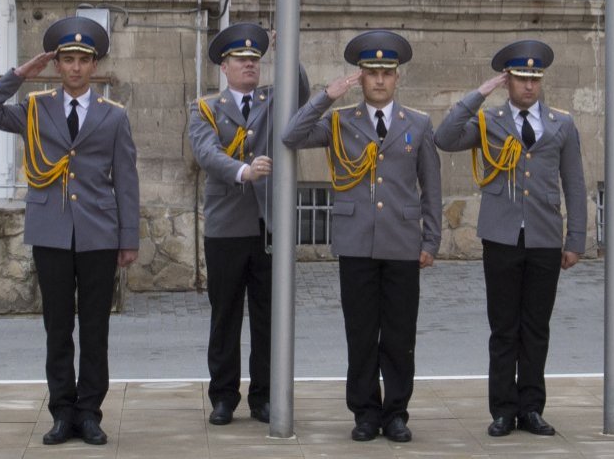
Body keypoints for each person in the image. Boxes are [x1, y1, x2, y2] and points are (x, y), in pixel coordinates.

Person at [0, 16, 140, 447]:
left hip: (99, 234)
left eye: (83, 60)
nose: (75, 68)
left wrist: (128, 239)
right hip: (50, 232)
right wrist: (19, 74)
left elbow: (126, 180)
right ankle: (62, 412)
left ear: (94, 64)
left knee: (96, 329)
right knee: (57, 326)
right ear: (56, 65)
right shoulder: (36, 107)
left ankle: (90, 412)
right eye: (67, 59)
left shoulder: (113, 116)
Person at [283, 30, 442, 444]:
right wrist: (326, 96)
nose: (379, 80)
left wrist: (430, 243)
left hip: (403, 243)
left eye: (387, 73)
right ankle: (365, 412)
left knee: (399, 334)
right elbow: (291, 136)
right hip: (356, 241)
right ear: (360, 76)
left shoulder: (418, 124)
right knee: (361, 331)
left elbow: (432, 187)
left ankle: (396, 413)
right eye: (371, 72)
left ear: (397, 78)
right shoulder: (340, 122)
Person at [434, 39, 587, 439]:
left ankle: (532, 407)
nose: (529, 86)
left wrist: (576, 239)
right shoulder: (490, 121)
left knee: (536, 328)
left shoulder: (561, 123)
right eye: (521, 78)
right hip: (501, 236)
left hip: (544, 238)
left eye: (535, 78)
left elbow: (574, 182)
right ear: (508, 81)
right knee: (503, 327)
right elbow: (445, 138)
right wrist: (479, 93)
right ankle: (502, 409)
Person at [188, 22, 308, 427]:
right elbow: (207, 153)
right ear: (225, 66)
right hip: (226, 227)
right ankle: (223, 398)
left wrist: (286, 49)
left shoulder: (274, 100)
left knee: (268, 317)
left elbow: (303, 96)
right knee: (225, 317)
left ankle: (264, 397)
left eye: (255, 59)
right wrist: (243, 171)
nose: (250, 65)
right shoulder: (205, 107)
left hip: (267, 226)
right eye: (241, 59)